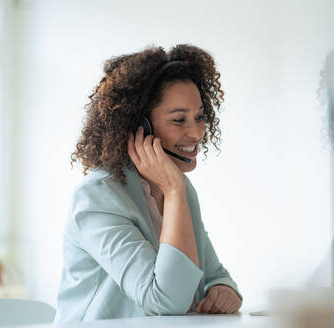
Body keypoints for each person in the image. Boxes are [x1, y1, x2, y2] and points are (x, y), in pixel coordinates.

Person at [55, 44, 242, 323]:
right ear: (140, 126)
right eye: (179, 120)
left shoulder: (180, 190)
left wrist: (223, 289)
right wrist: (174, 191)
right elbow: (164, 302)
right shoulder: (98, 196)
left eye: (200, 116)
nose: (196, 132)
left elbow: (216, 276)